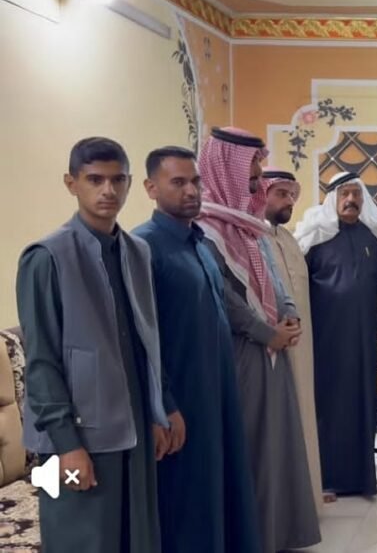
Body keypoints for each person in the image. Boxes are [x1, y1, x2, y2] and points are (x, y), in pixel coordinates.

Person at [17, 137, 180, 552]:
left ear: (129, 183)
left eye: (117, 180)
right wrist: (67, 447)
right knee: (78, 536)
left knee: (136, 537)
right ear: (71, 183)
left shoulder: (137, 252)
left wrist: (162, 408)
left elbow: (147, 340)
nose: (108, 190)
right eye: (95, 180)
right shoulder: (46, 257)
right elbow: (41, 362)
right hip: (74, 441)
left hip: (134, 431)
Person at [196, 127, 320, 552]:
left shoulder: (249, 225)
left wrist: (289, 313)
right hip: (242, 355)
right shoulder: (206, 228)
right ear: (226, 165)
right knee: (251, 448)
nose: (256, 172)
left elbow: (274, 280)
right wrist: (268, 332)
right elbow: (224, 296)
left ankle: (278, 533)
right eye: (250, 163)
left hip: (274, 350)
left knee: (277, 446)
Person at [134, 146, 261, 553]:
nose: (190, 191)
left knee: (222, 494)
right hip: (181, 404)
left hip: (216, 395)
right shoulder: (143, 247)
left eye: (195, 181)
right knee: (187, 505)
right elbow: (140, 339)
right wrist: (163, 407)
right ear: (151, 188)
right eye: (178, 182)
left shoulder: (200, 244)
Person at [295, 170, 377, 497]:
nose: (351, 200)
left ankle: (361, 480)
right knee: (328, 407)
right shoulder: (314, 239)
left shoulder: (372, 239)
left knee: (362, 403)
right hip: (325, 340)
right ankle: (325, 479)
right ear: (333, 198)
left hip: (363, 340)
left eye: (356, 194)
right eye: (345, 194)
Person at [261, 167, 323, 507]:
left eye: (291, 195)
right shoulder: (252, 238)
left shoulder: (288, 240)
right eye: (280, 194)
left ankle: (308, 494)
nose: (289, 201)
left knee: (303, 414)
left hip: (301, 346)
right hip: (271, 348)